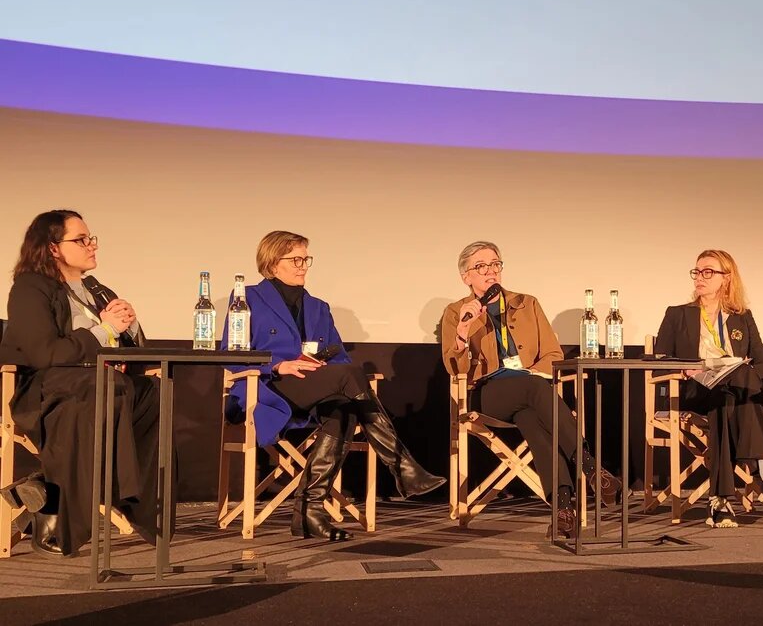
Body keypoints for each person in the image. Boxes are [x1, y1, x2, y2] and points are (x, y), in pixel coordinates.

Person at [222, 230, 444, 541]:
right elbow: (231, 355)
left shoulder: (318, 307)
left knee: (342, 410)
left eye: (306, 259)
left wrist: (324, 366)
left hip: (312, 387)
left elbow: (337, 356)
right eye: (296, 259)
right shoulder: (248, 299)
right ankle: (402, 466)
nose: (303, 266)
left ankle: (310, 511)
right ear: (273, 263)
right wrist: (276, 365)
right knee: (350, 377)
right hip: (269, 388)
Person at [0, 209, 162, 556]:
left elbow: (130, 350)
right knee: (106, 389)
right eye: (81, 239)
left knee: (154, 394)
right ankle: (71, 506)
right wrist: (104, 331)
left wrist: (129, 326)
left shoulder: (95, 290)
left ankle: (56, 488)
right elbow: (45, 354)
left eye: (92, 238)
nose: (92, 246)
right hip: (47, 392)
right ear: (53, 248)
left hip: (99, 391)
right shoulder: (30, 288)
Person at [440, 241, 621, 539]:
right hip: (487, 393)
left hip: (530, 391)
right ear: (466, 277)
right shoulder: (455, 312)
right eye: (481, 266)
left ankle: (563, 511)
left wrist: (532, 371)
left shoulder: (527, 303)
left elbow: (552, 354)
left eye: (495, 264)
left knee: (533, 421)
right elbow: (456, 370)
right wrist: (462, 331)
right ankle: (590, 466)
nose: (490, 271)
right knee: (535, 389)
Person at [654, 249, 763, 528]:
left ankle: (721, 501)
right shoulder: (678, 314)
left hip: (729, 397)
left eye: (708, 271)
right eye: (697, 271)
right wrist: (685, 370)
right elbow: (658, 364)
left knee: (730, 393)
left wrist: (742, 371)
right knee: (734, 388)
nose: (699, 277)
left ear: (727, 278)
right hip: (692, 391)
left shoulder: (742, 318)